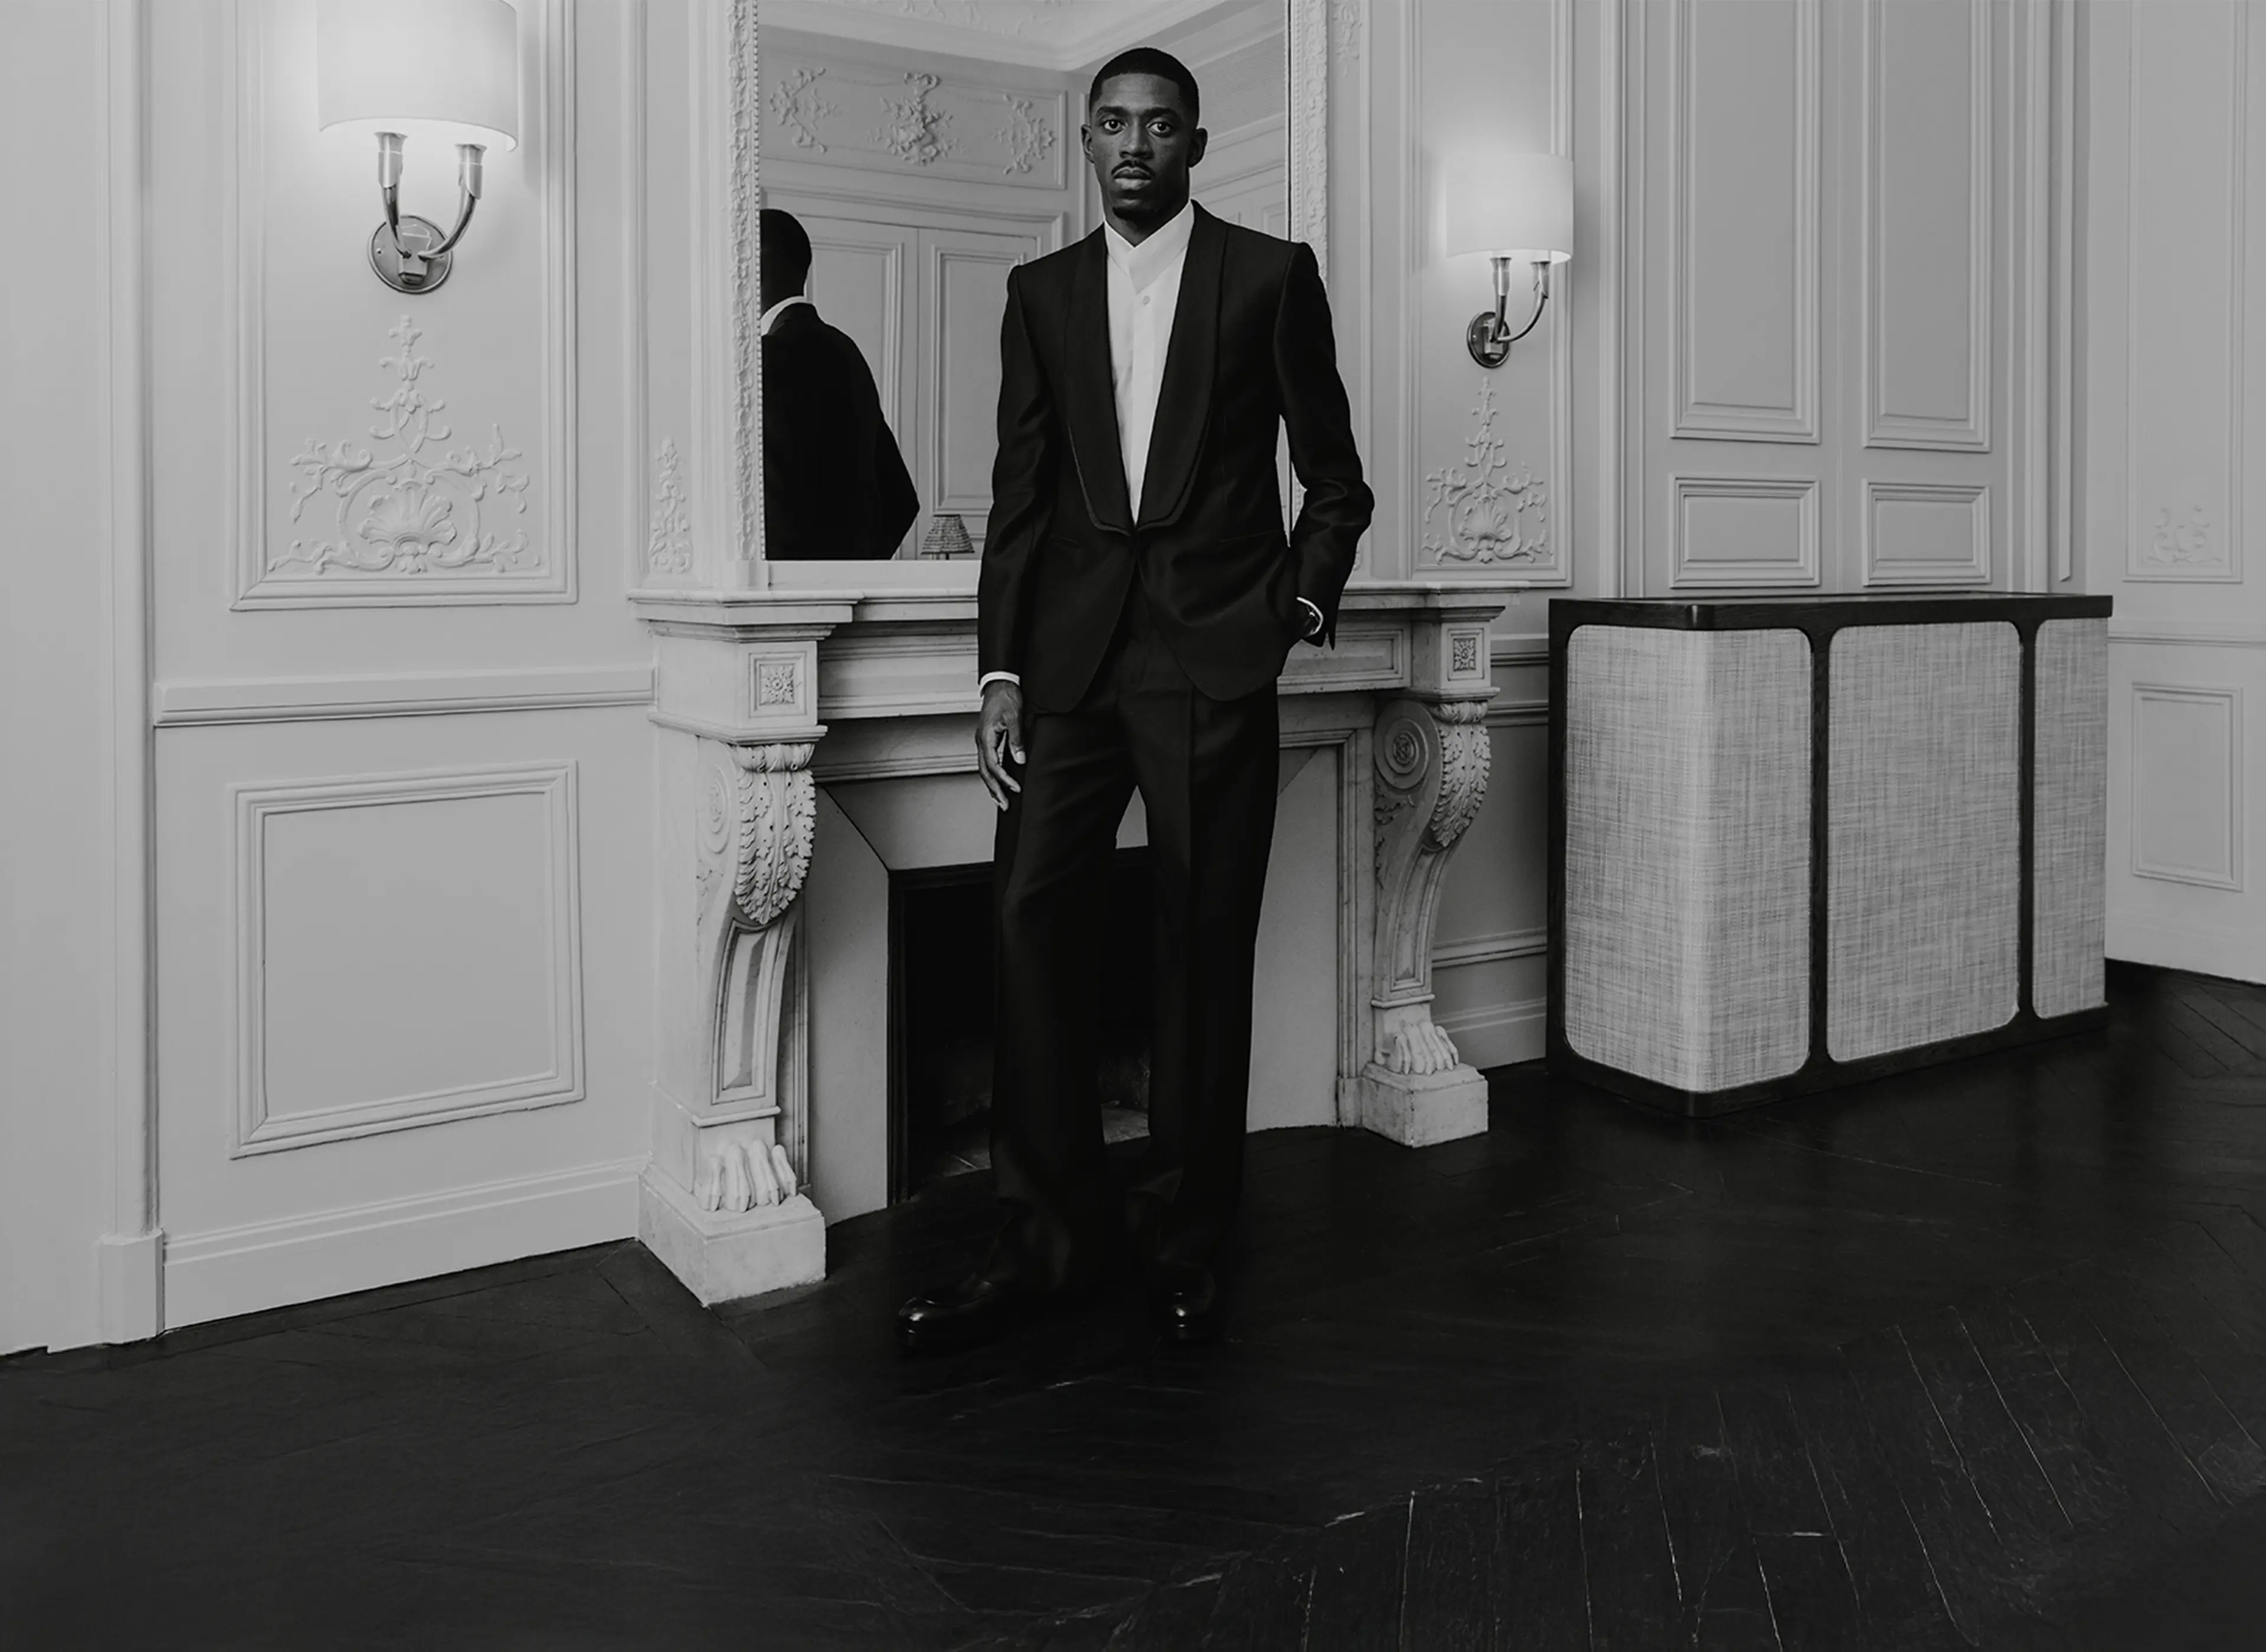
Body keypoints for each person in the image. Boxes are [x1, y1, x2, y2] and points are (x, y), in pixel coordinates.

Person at [895, 47, 1372, 1353]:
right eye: (1113, 124)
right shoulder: (1040, 293)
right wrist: (999, 669)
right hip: (1067, 671)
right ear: (1086, 142)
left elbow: (1336, 480)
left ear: (1197, 145)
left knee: (1199, 946)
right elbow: (1023, 497)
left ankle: (1184, 1236)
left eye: (1162, 125)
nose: (1136, 145)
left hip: (1214, 663)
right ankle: (1047, 1240)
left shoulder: (1269, 277)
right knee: (1027, 923)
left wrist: (1292, 615)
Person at [757, 208, 920, 560]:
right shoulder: (845, 349)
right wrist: (856, 567)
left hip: (783, 599)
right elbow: (902, 498)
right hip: (852, 590)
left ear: (753, 268)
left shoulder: (761, 361)